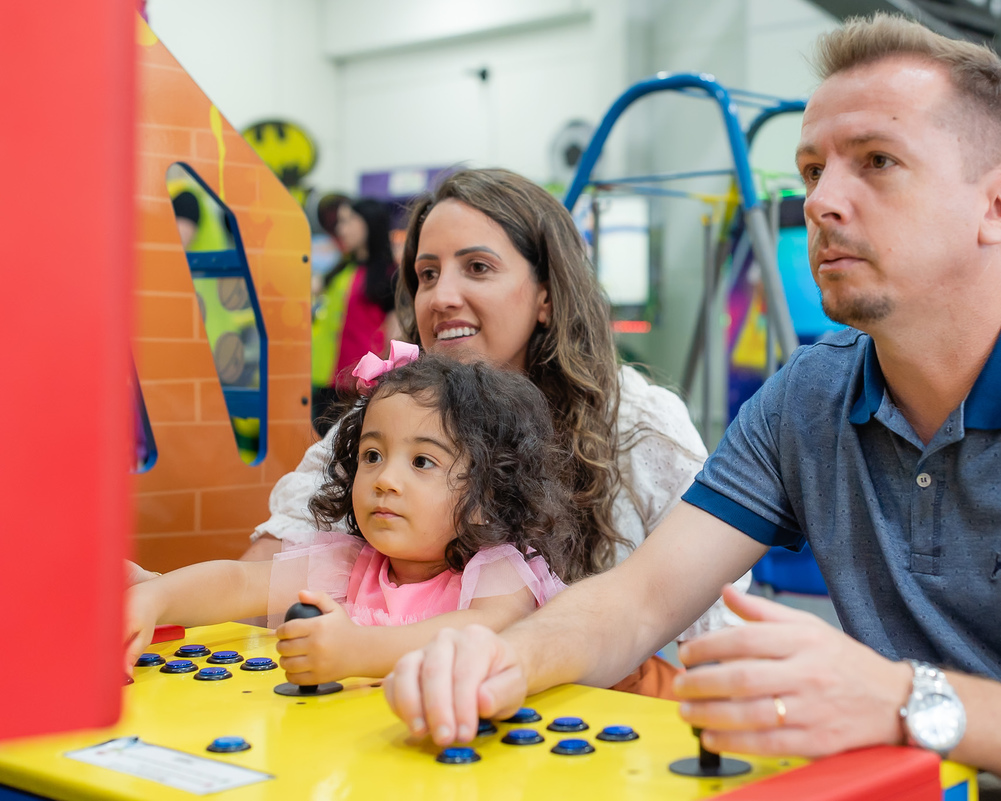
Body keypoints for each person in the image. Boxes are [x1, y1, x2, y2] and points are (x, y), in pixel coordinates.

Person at [383, 15, 1001, 799]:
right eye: (812, 170)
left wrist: (906, 702)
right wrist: (501, 660)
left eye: (876, 161)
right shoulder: (811, 393)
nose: (819, 202)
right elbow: (637, 600)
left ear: (999, 206)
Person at [240, 169, 750, 683]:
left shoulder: (634, 420)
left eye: (478, 268)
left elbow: (720, 627)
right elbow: (267, 568)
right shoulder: (386, 421)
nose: (441, 297)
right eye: (428, 274)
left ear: (546, 296)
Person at [125, 349, 572, 683]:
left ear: (486, 492)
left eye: (421, 462)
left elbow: (481, 632)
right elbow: (240, 583)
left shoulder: (499, 573)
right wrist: (159, 596)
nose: (384, 479)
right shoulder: (348, 563)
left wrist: (360, 651)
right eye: (372, 455)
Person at [311, 198, 409, 434]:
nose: (340, 229)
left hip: (359, 386)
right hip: (324, 380)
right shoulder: (341, 270)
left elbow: (395, 334)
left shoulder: (388, 274)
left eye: (346, 221)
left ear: (368, 223)